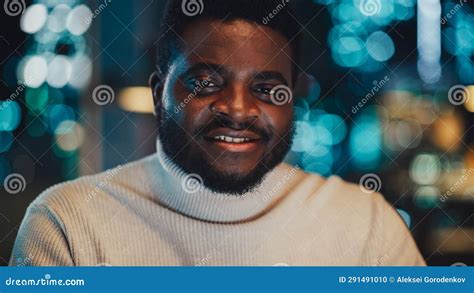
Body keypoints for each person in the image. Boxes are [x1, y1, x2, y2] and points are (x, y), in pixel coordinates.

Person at [10, 0, 425, 266]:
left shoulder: (366, 226)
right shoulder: (68, 225)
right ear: (159, 94)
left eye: (266, 89)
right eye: (205, 83)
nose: (239, 109)